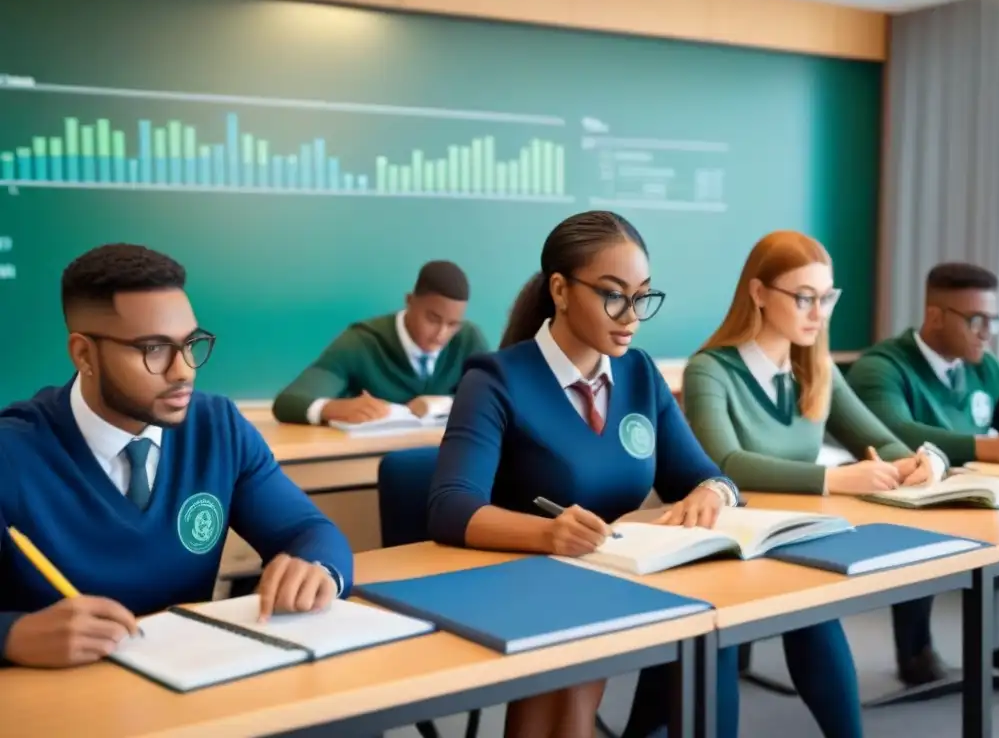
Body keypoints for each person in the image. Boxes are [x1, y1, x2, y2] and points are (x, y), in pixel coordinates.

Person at [429, 209, 748, 738]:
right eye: (612, 294)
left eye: (642, 296)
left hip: (619, 578)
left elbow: (706, 476)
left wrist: (712, 492)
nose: (631, 316)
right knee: (578, 662)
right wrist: (548, 533)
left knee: (712, 640)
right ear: (560, 289)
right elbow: (449, 506)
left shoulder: (639, 372)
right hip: (528, 587)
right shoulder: (495, 379)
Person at [0, 244, 352, 668]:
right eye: (153, 349)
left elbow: (310, 530)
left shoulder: (217, 426)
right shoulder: (12, 453)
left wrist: (317, 570)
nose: (183, 369)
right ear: (84, 355)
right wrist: (11, 635)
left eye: (190, 344)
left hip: (190, 686)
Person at [679, 230, 946, 698]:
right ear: (759, 293)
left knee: (815, 613)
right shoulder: (711, 368)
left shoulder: (816, 369)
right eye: (804, 298)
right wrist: (833, 478)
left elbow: (881, 441)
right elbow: (725, 463)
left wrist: (922, 461)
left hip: (794, 534)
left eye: (826, 298)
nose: (818, 314)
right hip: (725, 544)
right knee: (809, 613)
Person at [846, 262, 999, 675]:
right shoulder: (881, 366)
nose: (986, 332)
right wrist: (995, 449)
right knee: (927, 527)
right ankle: (916, 653)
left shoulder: (982, 365)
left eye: (992, 319)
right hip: (908, 503)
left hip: (981, 500)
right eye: (975, 319)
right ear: (934, 316)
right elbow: (891, 433)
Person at [272, 260, 488, 425]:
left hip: (442, 459)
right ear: (410, 302)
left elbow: (493, 400)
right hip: (368, 463)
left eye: (452, 324)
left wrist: (441, 404)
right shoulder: (361, 342)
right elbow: (288, 402)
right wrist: (333, 408)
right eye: (433, 319)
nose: (441, 334)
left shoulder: (468, 339)